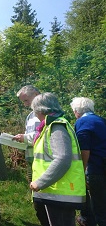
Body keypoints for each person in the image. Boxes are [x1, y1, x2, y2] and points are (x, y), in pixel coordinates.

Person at [29, 92, 86, 226]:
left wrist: (40, 182)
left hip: (60, 191)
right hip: (55, 190)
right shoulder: (50, 126)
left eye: (34, 110)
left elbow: (62, 159)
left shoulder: (57, 127)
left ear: (41, 110)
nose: (34, 114)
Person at [70, 97, 106, 226]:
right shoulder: (102, 120)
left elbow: (84, 149)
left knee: (99, 206)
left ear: (76, 111)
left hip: (95, 168)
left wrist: (82, 168)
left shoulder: (82, 122)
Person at [12, 85, 41, 182]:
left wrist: (24, 138)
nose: (25, 104)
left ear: (36, 95)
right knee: (32, 186)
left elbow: (42, 136)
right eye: (23, 101)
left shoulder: (47, 114)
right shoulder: (30, 116)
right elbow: (29, 136)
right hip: (30, 158)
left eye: (26, 100)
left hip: (42, 161)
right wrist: (19, 141)